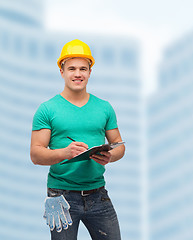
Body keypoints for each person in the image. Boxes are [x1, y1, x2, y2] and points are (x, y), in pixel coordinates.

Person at [30, 39, 125, 240]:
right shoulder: (47, 109)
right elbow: (36, 154)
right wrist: (65, 153)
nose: (78, 74)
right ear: (62, 71)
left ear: (90, 72)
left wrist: (110, 156)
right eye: (71, 68)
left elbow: (119, 145)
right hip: (61, 196)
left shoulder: (104, 107)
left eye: (83, 68)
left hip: (98, 194)